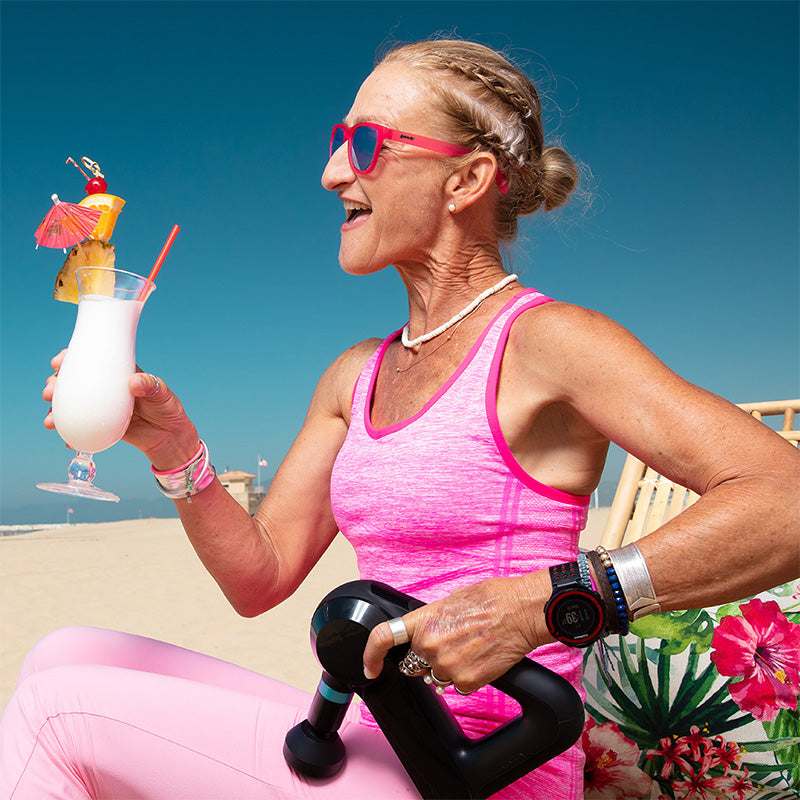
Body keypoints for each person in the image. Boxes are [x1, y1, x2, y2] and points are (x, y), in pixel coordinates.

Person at [1, 38, 797, 800]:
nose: (329, 171)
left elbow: (784, 499)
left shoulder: (547, 343)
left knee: (59, 714)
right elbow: (259, 577)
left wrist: (538, 605)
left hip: (479, 764)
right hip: (374, 730)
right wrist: (176, 449)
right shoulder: (356, 373)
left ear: (466, 180)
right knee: (63, 654)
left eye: (366, 143)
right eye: (337, 138)